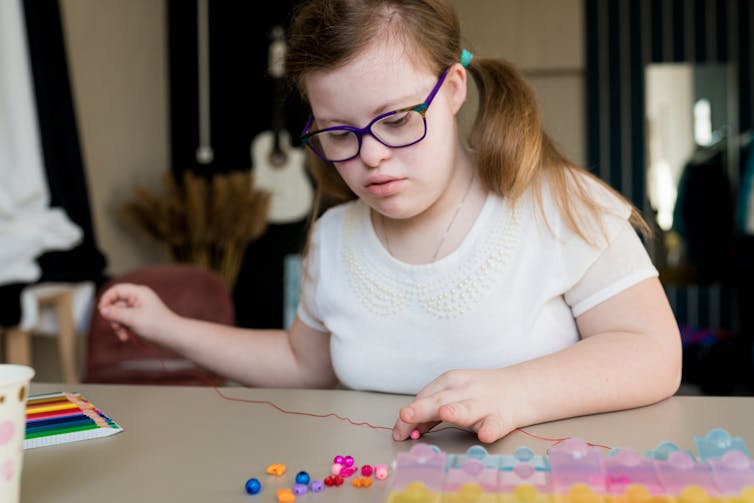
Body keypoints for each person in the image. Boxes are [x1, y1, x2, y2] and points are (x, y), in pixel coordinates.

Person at [98, 0, 682, 443]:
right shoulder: (335, 237)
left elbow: (653, 351)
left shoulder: (555, 203)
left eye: (398, 119)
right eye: (337, 133)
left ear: (452, 89)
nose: (371, 155)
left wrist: (518, 391)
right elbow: (303, 365)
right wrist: (167, 326)